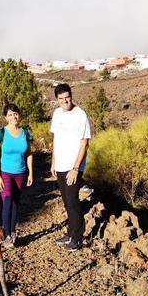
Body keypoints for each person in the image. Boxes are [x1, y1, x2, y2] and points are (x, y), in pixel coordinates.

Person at [50, 83, 92, 252]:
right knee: (67, 201)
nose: (65, 101)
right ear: (57, 99)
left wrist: (75, 168)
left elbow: (84, 143)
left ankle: (77, 238)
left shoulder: (80, 115)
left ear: (71, 96)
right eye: (61, 99)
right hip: (60, 164)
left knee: (73, 200)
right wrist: (53, 161)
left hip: (73, 166)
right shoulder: (57, 114)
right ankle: (70, 233)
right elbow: (56, 139)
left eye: (67, 98)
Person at [0, 103, 33, 248]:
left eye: (15, 113)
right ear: (5, 117)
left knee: (15, 202)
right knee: (7, 202)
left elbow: (28, 154)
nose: (13, 116)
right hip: (5, 173)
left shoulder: (26, 133)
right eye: (10, 114)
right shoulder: (0, 133)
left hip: (20, 173)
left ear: (19, 114)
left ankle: (13, 231)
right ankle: (7, 235)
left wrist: (30, 173)